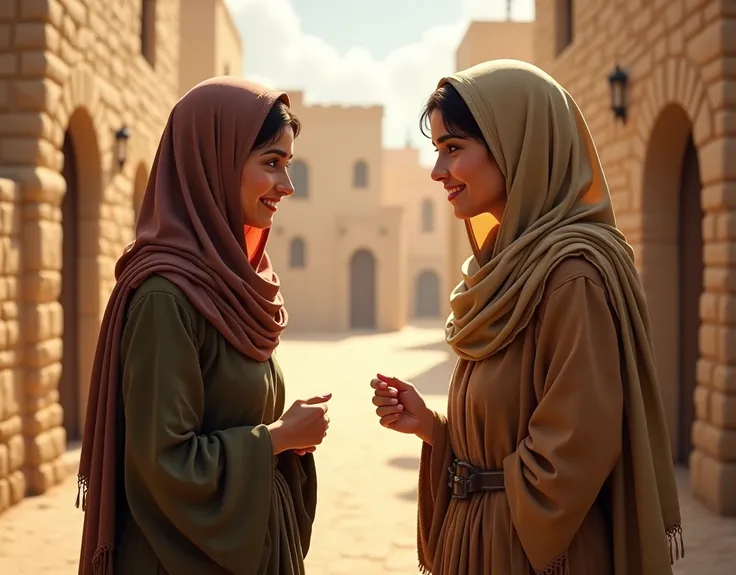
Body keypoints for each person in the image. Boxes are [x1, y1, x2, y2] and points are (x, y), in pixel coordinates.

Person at [370, 59, 683, 575]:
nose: (437, 171)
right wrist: (435, 428)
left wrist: (500, 529)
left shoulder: (571, 275)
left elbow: (577, 444)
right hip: (482, 541)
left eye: (454, 149)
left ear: (517, 146)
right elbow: (511, 436)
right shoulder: (503, 272)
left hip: (531, 555)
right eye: (436, 151)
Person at [76, 77, 331, 575]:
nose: (287, 185)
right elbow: (163, 462)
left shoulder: (234, 284)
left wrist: (285, 439)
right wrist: (276, 438)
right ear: (214, 162)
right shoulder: (165, 298)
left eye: (288, 164)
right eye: (271, 163)